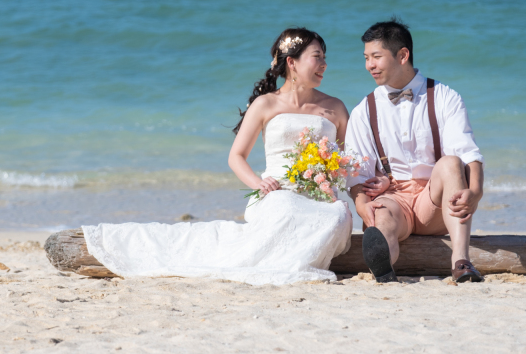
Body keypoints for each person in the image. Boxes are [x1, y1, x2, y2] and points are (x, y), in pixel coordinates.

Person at [81, 28, 353, 285]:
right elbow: (236, 156)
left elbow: (347, 159)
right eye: (317, 57)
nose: (324, 64)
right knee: (287, 208)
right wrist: (258, 184)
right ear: (292, 63)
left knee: (337, 216)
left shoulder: (336, 107)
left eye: (325, 58)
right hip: (277, 192)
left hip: (319, 195)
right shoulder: (265, 104)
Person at [345, 18, 485, 283]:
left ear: (402, 55)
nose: (369, 66)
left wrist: (476, 191)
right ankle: (384, 265)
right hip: (394, 198)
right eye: (366, 58)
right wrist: (362, 203)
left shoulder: (445, 97)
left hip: (436, 202)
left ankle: (460, 262)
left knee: (451, 163)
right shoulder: (364, 109)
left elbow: (468, 152)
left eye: (376, 57)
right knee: (382, 218)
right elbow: (357, 171)